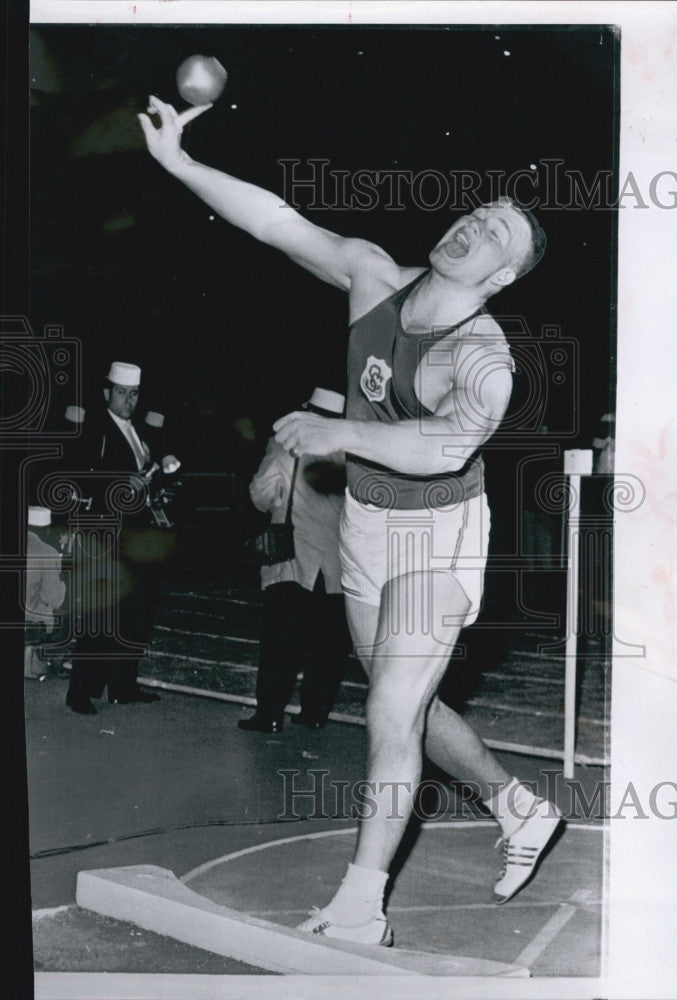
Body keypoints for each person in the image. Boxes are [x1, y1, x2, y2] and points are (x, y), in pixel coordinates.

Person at [140, 97, 563, 945]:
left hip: (434, 533)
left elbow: (445, 447)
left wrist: (339, 431)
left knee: (389, 716)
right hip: (368, 523)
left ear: (501, 278)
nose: (472, 228)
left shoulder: (484, 360)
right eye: (476, 213)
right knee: (403, 702)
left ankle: (361, 908)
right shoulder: (374, 273)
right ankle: (519, 806)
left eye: (495, 236)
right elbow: (277, 222)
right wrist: (180, 163)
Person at [65, 361, 179, 714]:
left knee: (136, 612)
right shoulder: (95, 430)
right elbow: (75, 476)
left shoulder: (140, 434)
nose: (128, 401)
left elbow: (144, 480)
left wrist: (159, 493)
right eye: (121, 393)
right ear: (106, 393)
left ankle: (123, 685)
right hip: (107, 536)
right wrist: (115, 486)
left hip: (140, 536)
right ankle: (80, 691)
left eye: (133, 394)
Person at [238, 387, 349, 734]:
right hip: (337, 565)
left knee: (280, 643)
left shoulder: (287, 445)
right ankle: (315, 712)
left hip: (293, 559)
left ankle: (270, 714)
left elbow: (261, 492)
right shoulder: (351, 450)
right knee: (328, 645)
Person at [24, 506, 66, 680]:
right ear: (47, 529)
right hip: (28, 617)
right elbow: (53, 598)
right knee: (64, 616)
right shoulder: (47, 552)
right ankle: (40, 665)